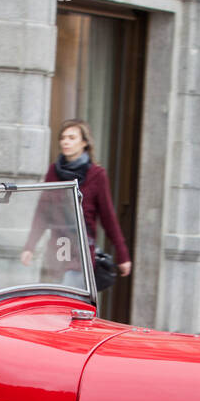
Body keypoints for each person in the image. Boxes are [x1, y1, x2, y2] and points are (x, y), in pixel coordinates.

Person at [21, 119, 131, 288]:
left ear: (84, 143)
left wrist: (122, 254)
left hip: (80, 250)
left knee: (70, 296)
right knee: (54, 300)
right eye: (63, 137)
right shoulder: (53, 172)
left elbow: (108, 218)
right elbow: (42, 212)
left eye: (72, 137)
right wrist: (30, 246)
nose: (66, 141)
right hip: (58, 248)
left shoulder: (96, 175)